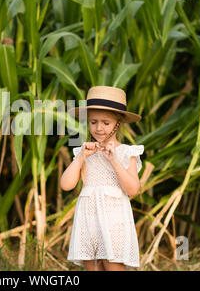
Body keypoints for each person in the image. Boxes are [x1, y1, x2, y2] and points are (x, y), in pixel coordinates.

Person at [61, 86, 144, 271]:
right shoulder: (84, 152)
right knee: (93, 266)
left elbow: (132, 190)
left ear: (118, 122)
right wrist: (81, 157)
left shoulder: (125, 153)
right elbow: (66, 184)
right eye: (93, 122)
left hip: (114, 221)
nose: (99, 128)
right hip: (88, 220)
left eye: (106, 123)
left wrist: (114, 161)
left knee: (113, 264)